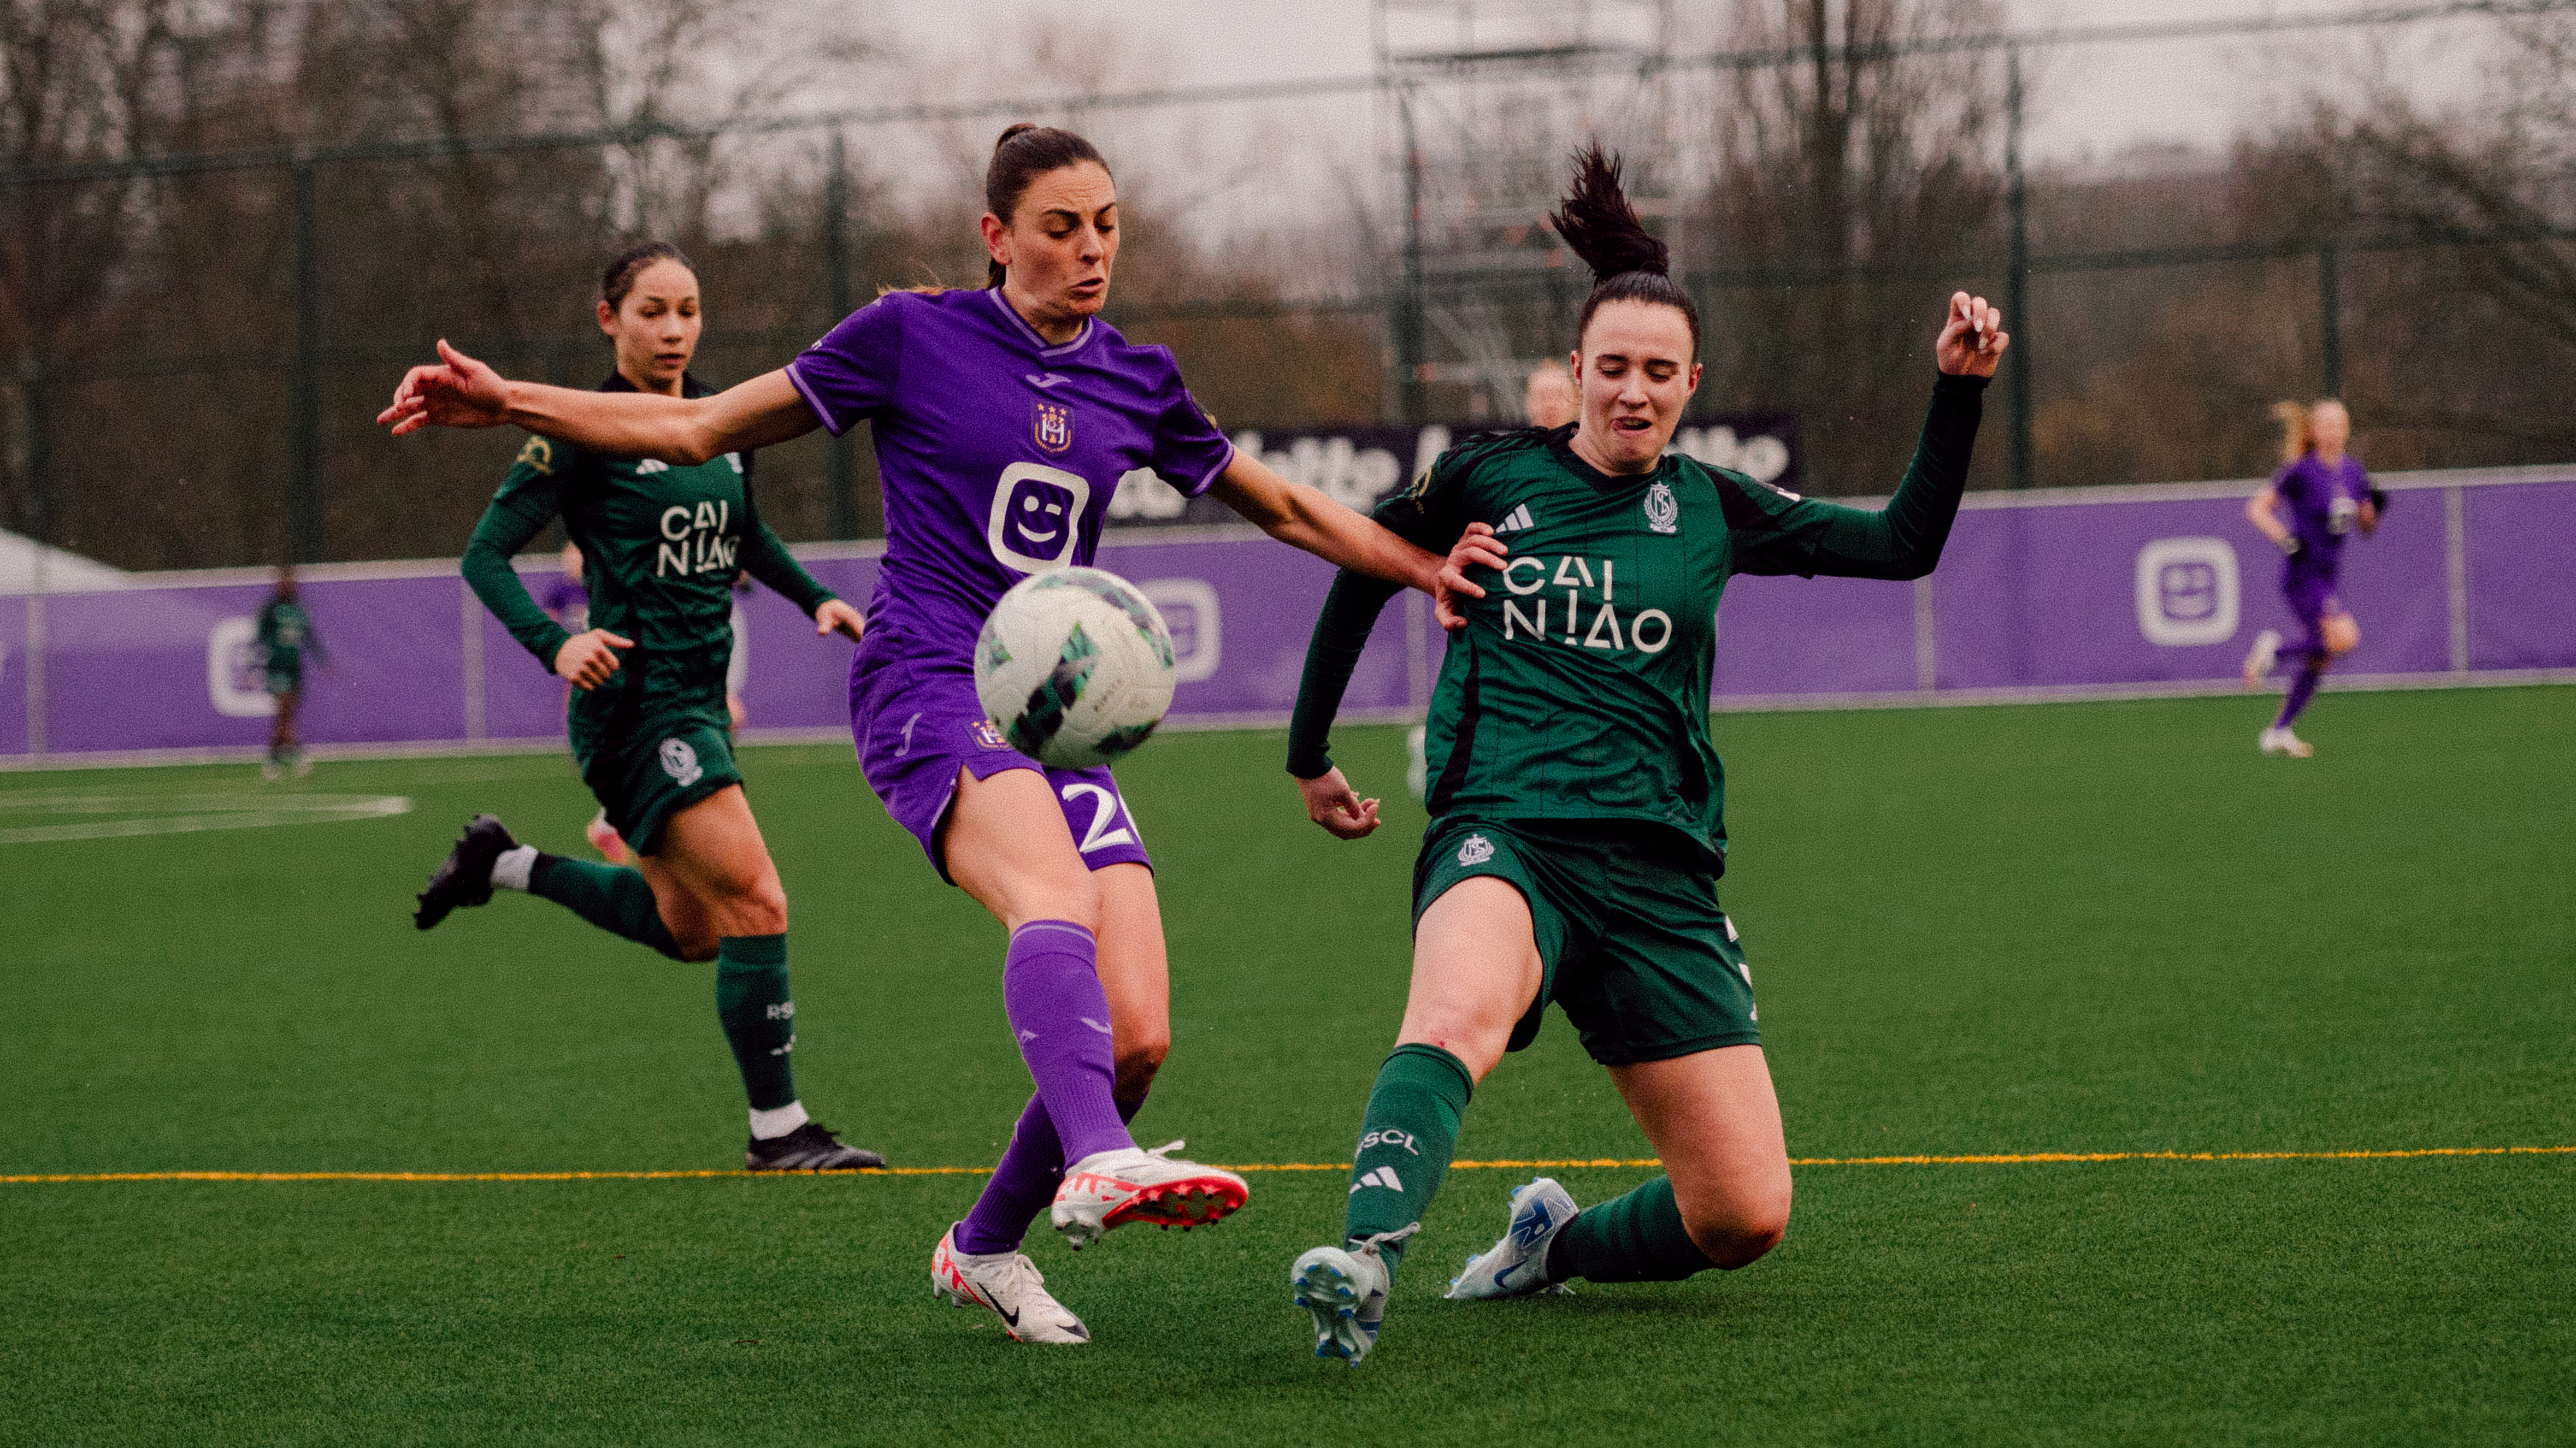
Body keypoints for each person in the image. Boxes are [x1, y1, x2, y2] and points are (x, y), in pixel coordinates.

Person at [379, 125, 1489, 1344]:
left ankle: (982, 1247)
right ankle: (1101, 1160)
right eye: (1060, 226)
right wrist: (503, 400)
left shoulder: (1137, 374)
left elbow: (1275, 500)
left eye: (1105, 224)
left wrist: (1419, 564)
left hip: (1050, 722)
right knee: (1048, 895)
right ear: (996, 235)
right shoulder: (908, 338)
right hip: (923, 676)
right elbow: (697, 430)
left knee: (1136, 1034)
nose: (1088, 249)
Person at [1280, 144, 2007, 1366]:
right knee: (1453, 1010)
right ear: (1572, 372)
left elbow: (1902, 543)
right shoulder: (1488, 474)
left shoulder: (1713, 505)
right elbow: (1363, 555)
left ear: (1688, 384)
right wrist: (1310, 750)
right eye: (1609, 367)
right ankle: (1360, 1259)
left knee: (1740, 1212)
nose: (1631, 391)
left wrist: (1956, 391)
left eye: (1656, 373)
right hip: (1502, 826)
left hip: (1660, 869)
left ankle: (1544, 1245)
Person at [410, 240, 882, 1174]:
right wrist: (558, 642)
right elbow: (485, 555)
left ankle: (504, 863)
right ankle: (779, 1129)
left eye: (689, 310)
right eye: (652, 311)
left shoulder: (717, 421)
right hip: (636, 709)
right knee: (757, 897)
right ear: (609, 320)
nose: (674, 329)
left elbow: (745, 529)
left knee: (693, 931)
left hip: (697, 700)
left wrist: (811, 596)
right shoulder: (577, 431)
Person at [2241, 399, 2380, 757]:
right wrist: (2287, 541)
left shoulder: (2352, 472)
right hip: (2303, 574)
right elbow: (2257, 509)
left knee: (2320, 657)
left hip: (2328, 576)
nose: (2334, 431)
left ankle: (2278, 731)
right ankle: (2272, 652)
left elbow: (2365, 526)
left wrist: (2371, 510)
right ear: (2314, 432)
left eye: (2340, 424)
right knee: (2345, 639)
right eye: (2327, 425)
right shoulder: (2301, 471)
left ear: (2347, 429)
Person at [256, 565, 327, 779]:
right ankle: (298, 757)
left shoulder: (300, 609)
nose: (288, 586)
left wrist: (323, 660)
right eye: (284, 582)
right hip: (277, 667)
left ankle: (274, 761)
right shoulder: (271, 609)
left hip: (294, 668)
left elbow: (309, 637)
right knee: (285, 710)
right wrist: (255, 666)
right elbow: (260, 639)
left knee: (286, 716)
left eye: (291, 582)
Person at [1523, 360, 1577, 429]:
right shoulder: (1512, 439)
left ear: (1573, 403)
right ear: (1528, 404)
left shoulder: (1589, 439)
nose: (1551, 405)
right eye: (1543, 397)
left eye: (1559, 397)